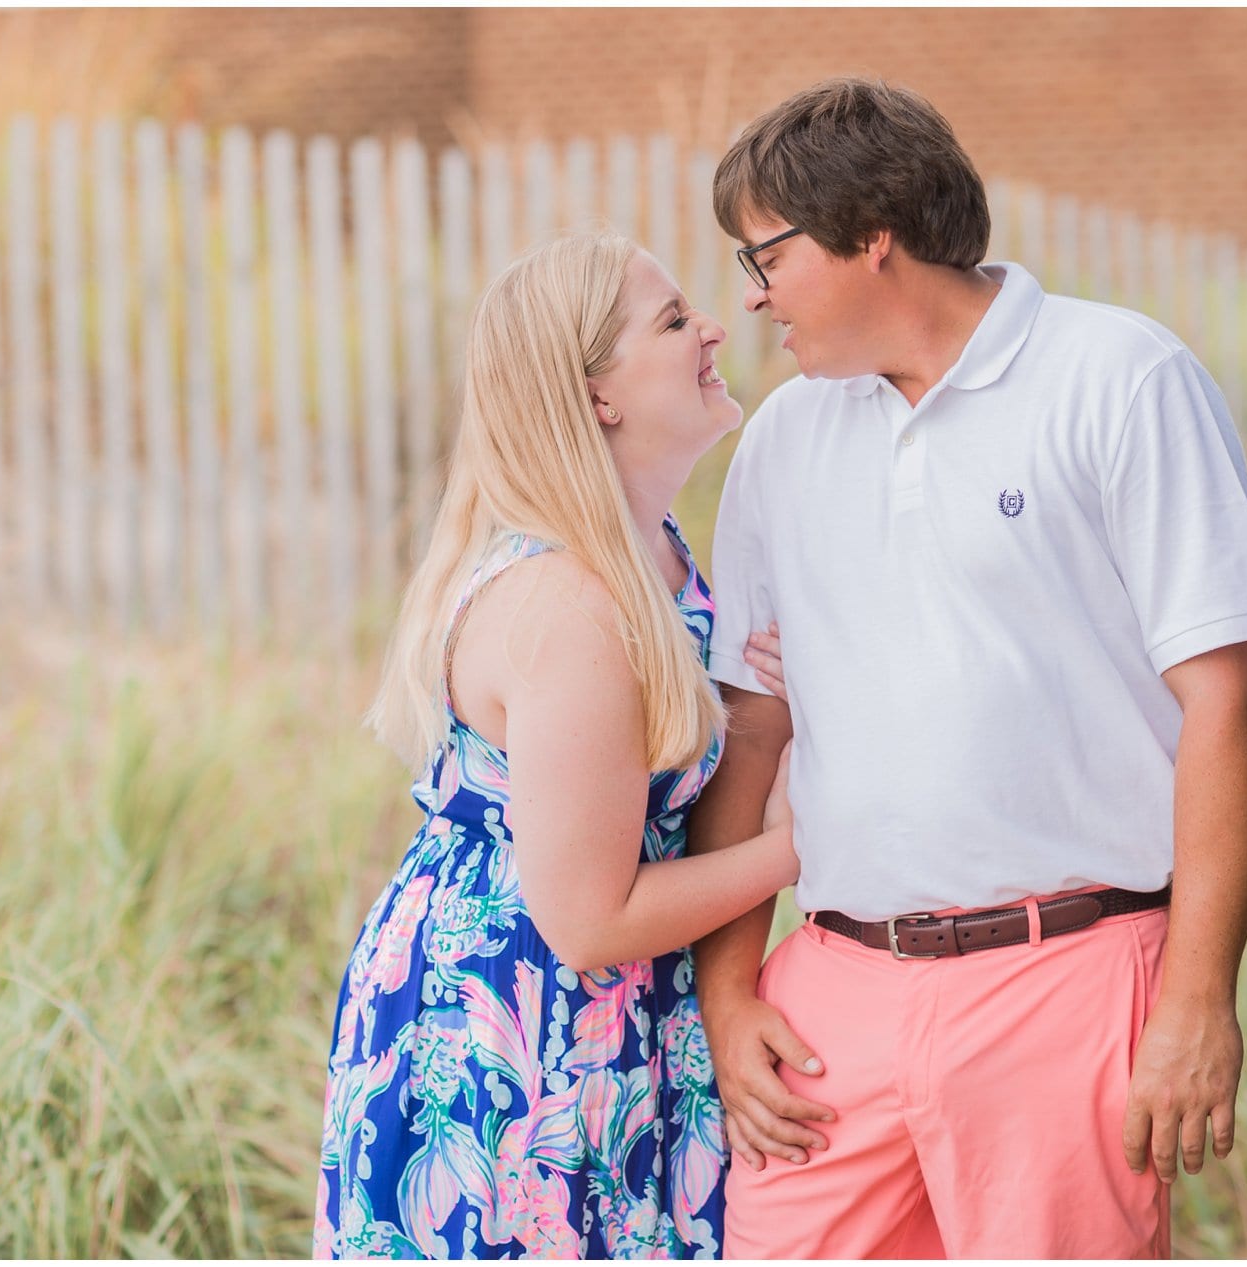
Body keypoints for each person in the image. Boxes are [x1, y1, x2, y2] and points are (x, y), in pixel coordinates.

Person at [687, 78, 1247, 1258]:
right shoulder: (781, 441)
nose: (752, 300)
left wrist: (1200, 998)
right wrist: (730, 994)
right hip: (834, 1003)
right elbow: (751, 731)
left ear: (872, 234)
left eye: (767, 257)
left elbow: (1234, 699)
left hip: (1067, 975)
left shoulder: (1120, 377)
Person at [314, 232, 799, 1260]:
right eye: (672, 322)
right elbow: (588, 917)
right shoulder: (567, 603)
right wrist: (815, 846)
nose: (713, 326)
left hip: (615, 1022)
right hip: (515, 1029)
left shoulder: (657, 556)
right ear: (597, 399)